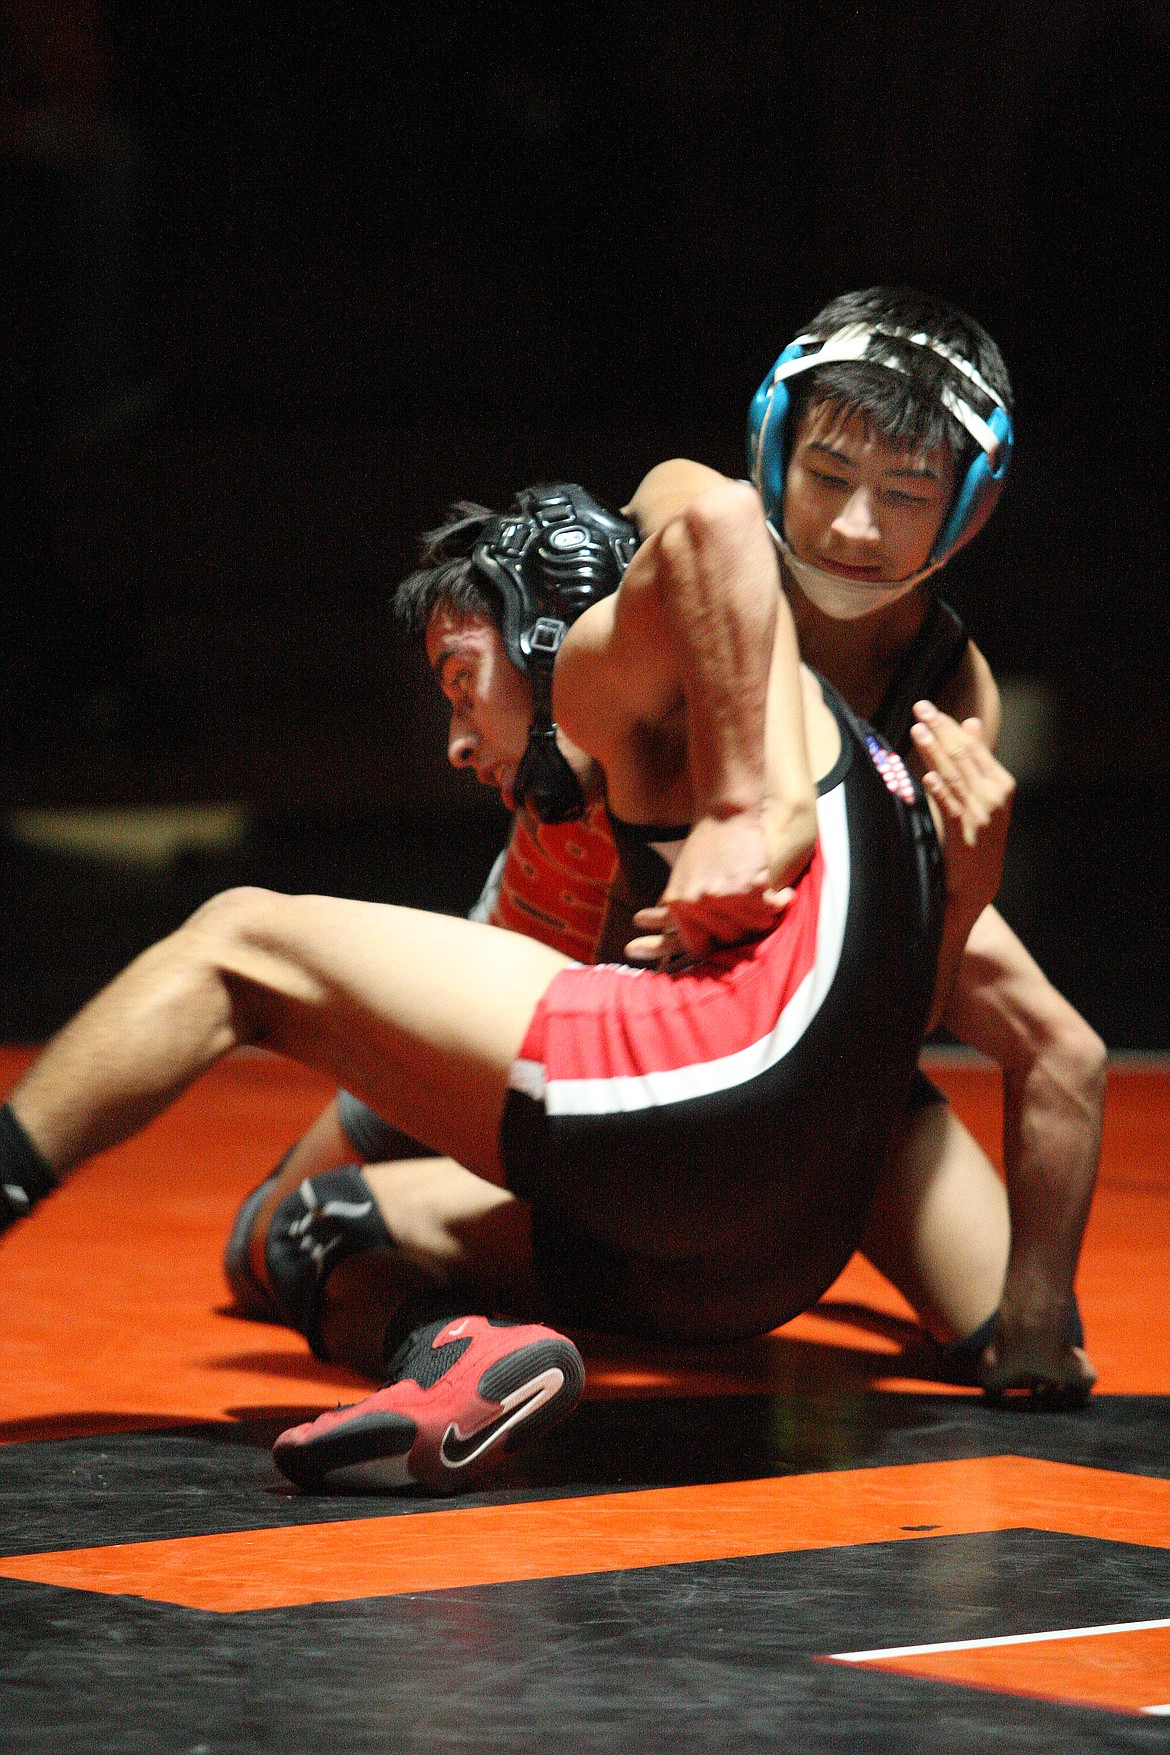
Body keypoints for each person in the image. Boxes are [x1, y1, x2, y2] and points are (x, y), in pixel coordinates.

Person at [0, 476, 1012, 1493]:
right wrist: (1037, 1332)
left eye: (459, 679)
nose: (455, 741)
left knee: (235, 942)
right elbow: (1055, 1056)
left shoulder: (609, 676)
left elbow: (713, 513)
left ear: (543, 635)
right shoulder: (893, 779)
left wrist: (755, 801)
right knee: (300, 1220)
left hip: (698, 1116)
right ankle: (453, 1355)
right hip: (783, 1246)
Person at [225, 289, 1102, 1406]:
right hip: (549, 973)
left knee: (1005, 1325)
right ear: (775, 452)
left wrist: (963, 895)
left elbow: (905, 1018)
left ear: (969, 511)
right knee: (267, 1243)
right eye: (828, 478)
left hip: (757, 1045)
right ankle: (455, 1308)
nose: (853, 528)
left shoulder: (946, 697)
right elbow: (679, 506)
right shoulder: (701, 537)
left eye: (908, 494)